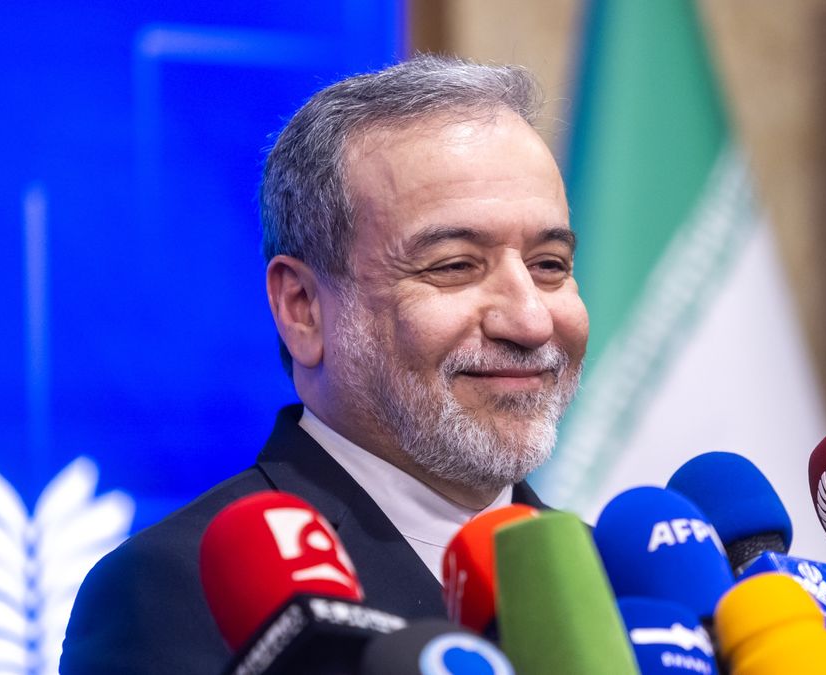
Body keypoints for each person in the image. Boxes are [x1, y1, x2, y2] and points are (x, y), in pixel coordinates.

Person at [60, 54, 588, 674]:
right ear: (303, 307)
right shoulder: (171, 588)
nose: (530, 321)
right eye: (454, 266)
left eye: (550, 264)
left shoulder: (620, 587)